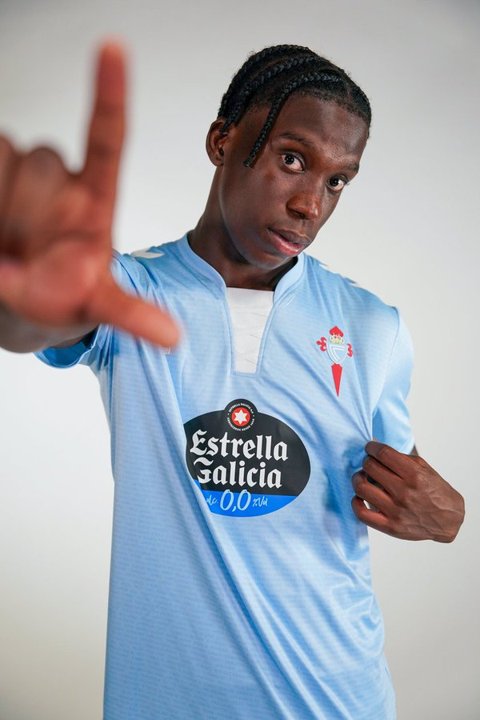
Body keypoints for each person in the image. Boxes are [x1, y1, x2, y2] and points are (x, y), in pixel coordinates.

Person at [0, 41, 465, 719]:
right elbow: (34, 325)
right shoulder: (127, 291)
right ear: (222, 141)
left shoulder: (373, 326)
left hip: (335, 699)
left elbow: (400, 480)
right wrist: (18, 300)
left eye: (338, 181)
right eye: (293, 159)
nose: (311, 204)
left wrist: (448, 518)